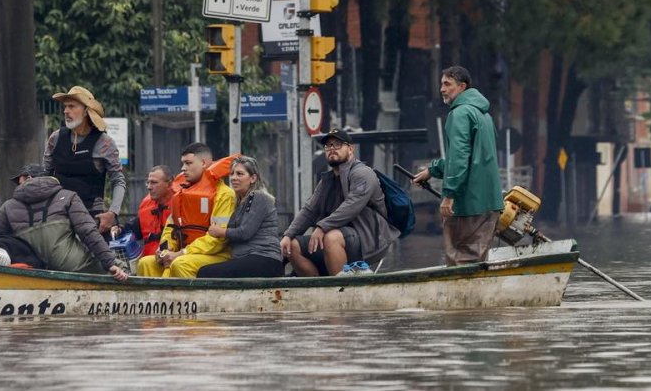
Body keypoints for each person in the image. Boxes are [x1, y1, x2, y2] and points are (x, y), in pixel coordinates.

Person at [413, 66, 503, 266]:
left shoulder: (460, 114)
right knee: (476, 261)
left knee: (460, 262)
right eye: (441, 84)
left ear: (462, 87)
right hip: (489, 202)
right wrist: (432, 170)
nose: (442, 89)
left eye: (447, 84)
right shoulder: (484, 115)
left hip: (468, 203)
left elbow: (460, 156)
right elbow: (471, 156)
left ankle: (463, 298)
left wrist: (449, 194)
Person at [0, 164, 128, 281]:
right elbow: (88, 232)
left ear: (28, 178)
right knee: (121, 267)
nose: (17, 185)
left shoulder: (9, 206)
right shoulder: (68, 196)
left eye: (18, 180)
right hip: (73, 266)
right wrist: (110, 263)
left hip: (35, 268)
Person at [280, 129, 399, 276]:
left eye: (337, 145)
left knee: (331, 237)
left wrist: (322, 227)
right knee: (293, 246)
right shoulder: (327, 180)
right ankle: (317, 290)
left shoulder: (363, 173)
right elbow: (310, 210)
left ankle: (342, 289)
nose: (332, 149)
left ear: (350, 149)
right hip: (337, 235)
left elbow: (352, 205)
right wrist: (288, 235)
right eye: (328, 146)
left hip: (367, 238)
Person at [136, 142, 234, 278]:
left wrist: (181, 253)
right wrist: (164, 250)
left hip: (215, 255)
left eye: (188, 163)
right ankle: (157, 299)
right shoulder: (181, 194)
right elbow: (171, 227)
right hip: (184, 253)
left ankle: (187, 299)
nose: (183, 168)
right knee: (146, 262)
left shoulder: (224, 194)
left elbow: (217, 240)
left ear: (204, 163)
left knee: (180, 263)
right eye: (182, 163)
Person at [44, 86, 126, 234]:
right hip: (57, 215)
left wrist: (112, 213)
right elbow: (45, 176)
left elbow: (118, 180)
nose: (66, 111)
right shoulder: (55, 138)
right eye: (65, 107)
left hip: (91, 217)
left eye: (72, 106)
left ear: (86, 111)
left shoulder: (105, 143)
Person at [198, 156, 284, 279]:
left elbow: (245, 232)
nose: (233, 178)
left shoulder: (259, 197)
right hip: (246, 258)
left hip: (264, 259)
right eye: (232, 174)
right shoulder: (240, 201)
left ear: (253, 178)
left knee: (206, 273)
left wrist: (220, 231)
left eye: (239, 174)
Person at [110, 165, 175, 258]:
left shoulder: (180, 204)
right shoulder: (147, 206)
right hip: (148, 262)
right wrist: (120, 229)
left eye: (154, 183)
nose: (149, 187)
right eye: (147, 183)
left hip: (172, 260)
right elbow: (137, 227)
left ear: (169, 184)